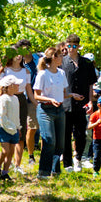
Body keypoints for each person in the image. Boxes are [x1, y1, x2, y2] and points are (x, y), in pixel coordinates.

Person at [0, 44, 35, 174]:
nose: (19, 56)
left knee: (20, 132)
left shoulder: (26, 71)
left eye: (21, 54)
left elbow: (28, 89)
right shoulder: (4, 70)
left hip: (20, 101)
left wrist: (35, 103)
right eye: (16, 54)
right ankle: (4, 163)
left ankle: (17, 165)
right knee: (7, 129)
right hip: (7, 100)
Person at [33, 45, 69, 180]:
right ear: (54, 57)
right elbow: (37, 96)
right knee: (49, 140)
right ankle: (43, 171)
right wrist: (50, 99)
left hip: (59, 109)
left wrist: (73, 95)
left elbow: (64, 93)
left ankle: (55, 170)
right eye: (60, 55)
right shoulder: (43, 74)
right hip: (45, 110)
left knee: (60, 143)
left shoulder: (61, 73)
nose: (62, 58)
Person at [61, 34, 96, 172]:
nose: (71, 49)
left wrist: (91, 102)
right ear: (65, 46)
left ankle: (78, 158)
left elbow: (90, 85)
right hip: (66, 103)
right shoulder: (62, 62)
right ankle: (67, 163)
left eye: (74, 46)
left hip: (83, 104)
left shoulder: (87, 63)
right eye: (69, 46)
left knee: (81, 133)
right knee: (66, 133)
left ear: (79, 46)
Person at [0, 75, 23, 182]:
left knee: (11, 152)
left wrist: (18, 128)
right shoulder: (3, 99)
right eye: (16, 84)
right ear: (10, 86)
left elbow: (16, 115)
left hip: (14, 129)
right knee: (5, 151)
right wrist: (9, 127)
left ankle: (5, 172)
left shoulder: (15, 98)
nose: (19, 86)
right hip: (4, 129)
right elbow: (1, 115)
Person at [19, 39, 41, 166]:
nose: (25, 51)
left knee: (43, 129)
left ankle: (45, 154)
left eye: (27, 48)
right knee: (31, 128)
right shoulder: (20, 65)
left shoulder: (38, 61)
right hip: (27, 100)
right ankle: (31, 155)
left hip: (41, 97)